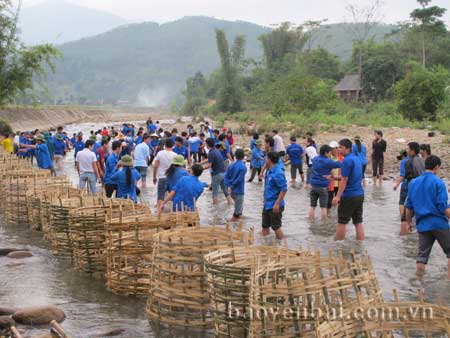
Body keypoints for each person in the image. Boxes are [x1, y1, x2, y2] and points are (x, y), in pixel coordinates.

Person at [405, 155, 450, 280]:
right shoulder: (439, 182)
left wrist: (408, 223)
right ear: (436, 167)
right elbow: (442, 206)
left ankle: (419, 282)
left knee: (421, 257)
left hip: (422, 224)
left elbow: (408, 207)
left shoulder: (413, 183)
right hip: (439, 223)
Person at [332, 139, 365, 241]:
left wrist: (337, 196)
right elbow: (352, 176)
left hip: (349, 195)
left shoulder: (346, 161)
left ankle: (338, 245)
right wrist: (335, 177)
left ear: (347, 148)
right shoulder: (357, 159)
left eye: (341, 147)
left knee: (342, 221)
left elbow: (345, 180)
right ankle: (360, 243)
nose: (338, 150)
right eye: (338, 147)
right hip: (359, 194)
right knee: (358, 221)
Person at [310, 145, 341, 222]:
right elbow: (339, 164)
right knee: (323, 207)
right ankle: (325, 225)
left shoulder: (315, 159)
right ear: (326, 152)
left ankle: (311, 222)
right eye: (330, 152)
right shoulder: (328, 161)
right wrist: (337, 155)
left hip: (313, 186)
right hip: (323, 187)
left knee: (312, 207)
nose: (331, 154)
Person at [400, 142, 426, 235]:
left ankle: (403, 240)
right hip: (424, 193)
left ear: (412, 151)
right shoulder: (423, 161)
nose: (407, 151)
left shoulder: (409, 162)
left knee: (404, 219)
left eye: (408, 149)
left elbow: (410, 180)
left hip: (414, 193)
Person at [262, 152, 287, 241]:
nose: (265, 160)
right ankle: (266, 246)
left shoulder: (278, 173)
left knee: (276, 227)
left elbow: (284, 189)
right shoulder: (269, 170)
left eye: (266, 158)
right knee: (265, 226)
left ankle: (282, 246)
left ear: (269, 160)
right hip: (267, 203)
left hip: (275, 204)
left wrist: (277, 204)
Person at [201, 138, 232, 206]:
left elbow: (209, 165)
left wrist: (200, 168)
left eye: (206, 144)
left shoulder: (211, 152)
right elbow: (209, 159)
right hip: (223, 173)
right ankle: (230, 204)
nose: (205, 145)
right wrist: (200, 163)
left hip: (216, 174)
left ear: (208, 144)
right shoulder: (216, 151)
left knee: (214, 193)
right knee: (225, 191)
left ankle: (215, 211)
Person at [153, 138, 177, 208]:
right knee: (172, 197)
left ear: (164, 145)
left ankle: (159, 214)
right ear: (173, 145)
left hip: (162, 177)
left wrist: (154, 177)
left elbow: (155, 166)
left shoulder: (160, 153)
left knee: (160, 197)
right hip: (171, 178)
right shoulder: (175, 155)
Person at [225, 149, 247, 221]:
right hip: (239, 190)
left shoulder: (231, 165)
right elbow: (239, 179)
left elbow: (226, 177)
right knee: (236, 214)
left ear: (235, 156)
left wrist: (228, 186)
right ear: (243, 157)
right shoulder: (243, 167)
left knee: (239, 211)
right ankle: (233, 227)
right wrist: (232, 186)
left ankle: (237, 224)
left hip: (231, 191)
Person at [327, 141, 344, 215]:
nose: (331, 150)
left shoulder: (342, 158)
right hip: (330, 184)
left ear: (337, 149)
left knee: (339, 202)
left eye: (332, 148)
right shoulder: (327, 158)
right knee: (328, 203)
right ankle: (328, 220)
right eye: (330, 148)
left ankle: (338, 217)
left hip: (339, 184)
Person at [394, 150, 409, 218]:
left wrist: (396, 185)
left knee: (402, 202)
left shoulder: (404, 161)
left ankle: (402, 220)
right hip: (416, 185)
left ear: (402, 156)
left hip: (406, 184)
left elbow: (402, 175)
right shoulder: (415, 159)